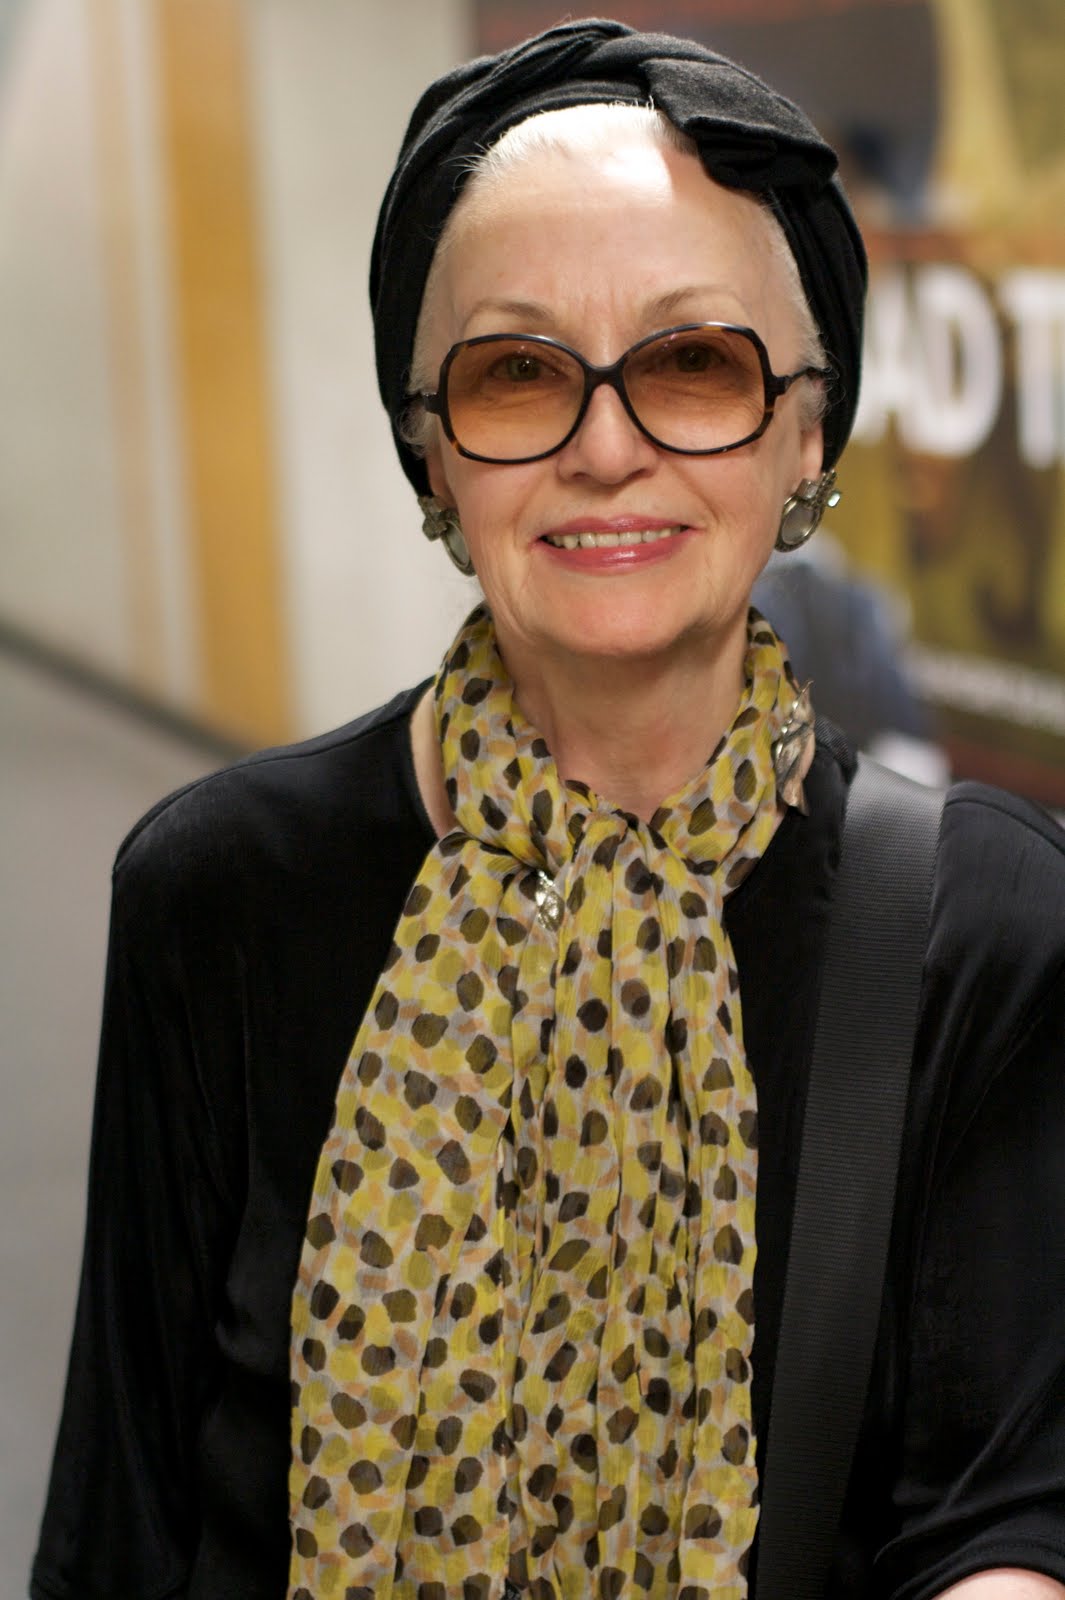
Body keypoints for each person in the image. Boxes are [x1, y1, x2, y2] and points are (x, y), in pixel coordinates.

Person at [30, 20, 1065, 1600]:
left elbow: (1005, 1519)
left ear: (806, 433)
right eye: (516, 374)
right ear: (431, 457)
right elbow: (125, 1517)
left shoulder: (978, 928)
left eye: (692, 363)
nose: (604, 448)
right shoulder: (222, 893)